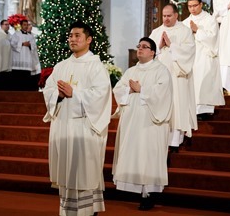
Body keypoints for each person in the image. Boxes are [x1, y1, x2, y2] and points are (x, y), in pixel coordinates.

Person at [42, 21, 112, 216]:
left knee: (83, 171)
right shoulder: (62, 66)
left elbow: (101, 96)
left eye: (77, 35)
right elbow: (48, 89)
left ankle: (88, 211)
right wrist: (58, 95)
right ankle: (68, 211)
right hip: (63, 125)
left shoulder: (96, 67)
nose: (73, 39)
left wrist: (75, 93)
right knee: (68, 171)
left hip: (83, 128)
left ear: (88, 40)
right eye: (71, 35)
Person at [112, 37, 173, 211]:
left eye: (144, 47)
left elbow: (163, 93)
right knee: (135, 152)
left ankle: (149, 193)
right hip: (132, 121)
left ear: (153, 52)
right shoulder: (131, 71)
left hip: (151, 123)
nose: (140, 49)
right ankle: (136, 188)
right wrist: (129, 90)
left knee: (149, 155)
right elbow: (118, 89)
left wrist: (142, 90)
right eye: (139, 46)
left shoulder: (161, 70)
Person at [149, 3, 197, 153]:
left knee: (177, 107)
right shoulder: (156, 32)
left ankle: (175, 141)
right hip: (160, 78)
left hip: (177, 76)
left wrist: (171, 45)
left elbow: (189, 52)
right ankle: (159, 140)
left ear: (176, 15)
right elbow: (148, 51)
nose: (166, 19)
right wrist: (158, 46)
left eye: (169, 16)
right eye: (164, 16)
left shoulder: (185, 31)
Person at [182, 0, 225, 120]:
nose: (192, 9)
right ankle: (193, 110)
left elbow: (213, 39)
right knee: (193, 83)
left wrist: (197, 31)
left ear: (201, 4)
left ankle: (205, 111)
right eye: (190, 6)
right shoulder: (185, 22)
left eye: (195, 5)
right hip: (191, 58)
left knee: (204, 83)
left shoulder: (210, 20)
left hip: (206, 56)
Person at [10, 19, 37, 91]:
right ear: (21, 25)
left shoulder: (30, 36)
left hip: (27, 60)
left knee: (26, 80)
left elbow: (34, 46)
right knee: (18, 80)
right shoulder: (16, 34)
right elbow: (12, 44)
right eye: (24, 25)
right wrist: (22, 44)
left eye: (27, 25)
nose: (26, 26)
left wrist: (30, 45)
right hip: (18, 60)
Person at [27, 20, 41, 90]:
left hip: (35, 59)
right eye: (29, 25)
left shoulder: (32, 35)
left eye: (31, 25)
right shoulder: (23, 35)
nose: (31, 26)